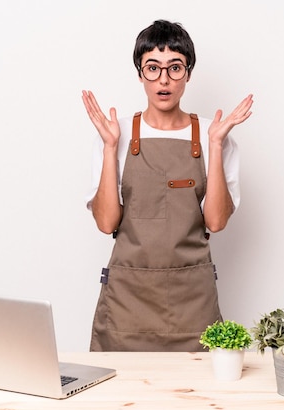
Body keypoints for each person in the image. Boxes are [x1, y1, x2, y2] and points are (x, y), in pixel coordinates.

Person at [82, 19, 253, 352]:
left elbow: (215, 222)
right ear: (139, 73)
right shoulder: (114, 135)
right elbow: (106, 224)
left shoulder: (213, 134)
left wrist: (215, 145)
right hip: (126, 302)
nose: (164, 80)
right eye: (153, 68)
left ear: (188, 74)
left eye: (175, 68)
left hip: (191, 302)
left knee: (197, 398)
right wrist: (108, 147)